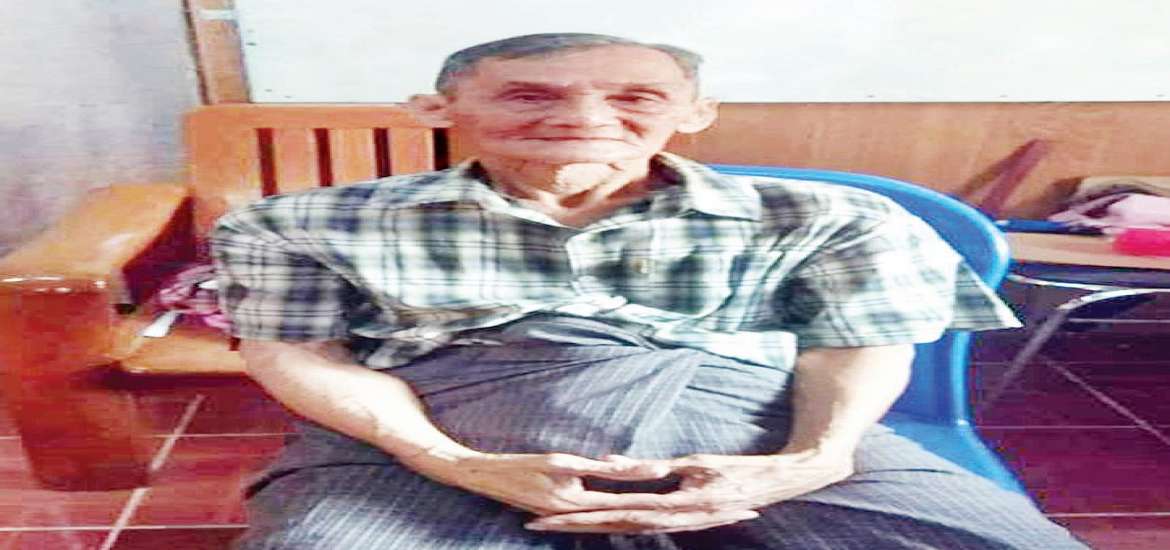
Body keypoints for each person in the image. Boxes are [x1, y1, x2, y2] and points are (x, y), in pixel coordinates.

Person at [211, 33, 1087, 549]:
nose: (585, 118)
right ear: (436, 109)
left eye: (636, 96)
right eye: (527, 95)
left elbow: (856, 348)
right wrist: (450, 461)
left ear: (695, 112)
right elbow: (297, 353)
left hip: (754, 426)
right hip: (426, 429)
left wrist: (815, 459)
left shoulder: (834, 216)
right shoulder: (299, 223)